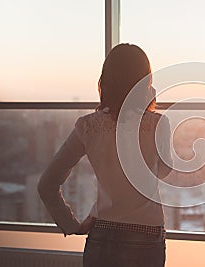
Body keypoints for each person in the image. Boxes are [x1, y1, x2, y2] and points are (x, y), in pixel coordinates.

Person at [38, 43, 172, 267]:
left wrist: (71, 224)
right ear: (146, 82)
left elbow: (46, 184)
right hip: (147, 236)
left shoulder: (88, 126)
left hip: (102, 234)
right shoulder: (158, 124)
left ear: (105, 81)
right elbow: (165, 171)